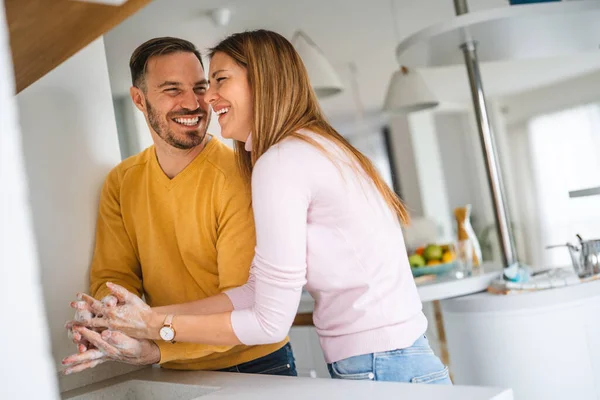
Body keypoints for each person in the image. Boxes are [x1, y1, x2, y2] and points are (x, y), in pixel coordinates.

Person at [72, 30, 451, 384]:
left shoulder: (279, 162)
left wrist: (157, 328)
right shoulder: (310, 147)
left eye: (218, 81)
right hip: (394, 358)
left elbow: (269, 322)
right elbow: (254, 291)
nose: (207, 99)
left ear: (261, 82)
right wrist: (135, 318)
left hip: (379, 364)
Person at [61, 36, 296, 377]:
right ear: (139, 100)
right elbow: (113, 275)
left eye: (200, 88)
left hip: (255, 364)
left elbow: (243, 303)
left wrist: (154, 345)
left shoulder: (241, 176)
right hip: (172, 365)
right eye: (173, 90)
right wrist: (109, 316)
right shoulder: (121, 182)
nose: (194, 104)